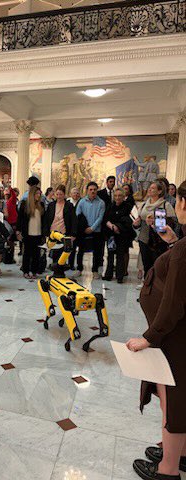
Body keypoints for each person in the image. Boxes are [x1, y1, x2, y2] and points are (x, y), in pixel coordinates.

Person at [126, 180, 186, 480]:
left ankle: (167, 470)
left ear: (182, 204)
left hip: (175, 338)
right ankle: (179, 453)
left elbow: (174, 303)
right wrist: (174, 242)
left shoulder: (184, 251)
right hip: (176, 335)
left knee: (172, 400)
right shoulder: (182, 246)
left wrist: (148, 338)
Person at [133, 180, 176, 282]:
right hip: (144, 238)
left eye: (153, 188)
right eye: (149, 188)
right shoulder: (144, 204)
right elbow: (139, 221)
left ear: (160, 191)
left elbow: (173, 222)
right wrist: (136, 223)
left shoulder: (165, 205)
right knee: (146, 265)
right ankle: (147, 289)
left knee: (157, 266)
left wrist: (155, 221)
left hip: (158, 240)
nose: (150, 190)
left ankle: (156, 290)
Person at [102, 188, 136, 283]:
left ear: (124, 197)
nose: (117, 197)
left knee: (120, 256)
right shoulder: (110, 206)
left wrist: (118, 227)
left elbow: (129, 220)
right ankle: (108, 274)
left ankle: (119, 276)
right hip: (111, 235)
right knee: (110, 255)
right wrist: (111, 226)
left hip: (122, 235)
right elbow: (105, 218)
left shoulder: (128, 207)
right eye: (116, 196)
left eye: (120, 196)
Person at [75, 181, 106, 279]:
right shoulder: (82, 202)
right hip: (83, 231)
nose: (93, 191)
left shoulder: (101, 203)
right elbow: (78, 215)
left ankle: (95, 270)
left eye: (94, 190)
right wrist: (85, 228)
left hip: (96, 231)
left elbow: (100, 218)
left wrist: (92, 228)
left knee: (97, 252)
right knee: (80, 251)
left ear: (97, 190)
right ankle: (79, 269)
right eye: (91, 189)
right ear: (87, 191)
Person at [17, 185, 45, 279]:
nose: (39, 195)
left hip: (38, 233)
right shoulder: (25, 204)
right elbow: (20, 218)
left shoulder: (41, 205)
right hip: (28, 233)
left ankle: (34, 271)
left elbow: (44, 220)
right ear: (32, 194)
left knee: (36, 254)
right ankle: (25, 271)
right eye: (37, 193)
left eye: (39, 193)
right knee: (27, 253)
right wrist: (18, 231)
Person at [44, 184, 77, 263]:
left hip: (64, 234)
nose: (58, 196)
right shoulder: (51, 205)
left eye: (61, 194)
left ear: (64, 194)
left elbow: (74, 220)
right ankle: (55, 271)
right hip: (53, 234)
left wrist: (73, 234)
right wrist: (45, 232)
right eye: (57, 194)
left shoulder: (69, 206)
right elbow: (46, 220)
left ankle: (60, 271)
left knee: (62, 256)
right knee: (54, 255)